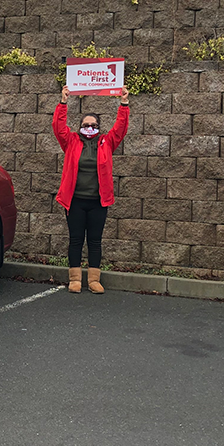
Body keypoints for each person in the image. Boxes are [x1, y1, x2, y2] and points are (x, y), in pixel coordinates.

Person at [52, 85, 130, 294]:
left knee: (95, 241)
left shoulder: (107, 142)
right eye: (85, 125)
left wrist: (123, 104)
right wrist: (63, 102)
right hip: (75, 201)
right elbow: (58, 128)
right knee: (76, 239)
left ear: (98, 127)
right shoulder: (71, 142)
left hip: (98, 202)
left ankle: (94, 279)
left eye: (93, 125)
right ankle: (75, 279)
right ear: (79, 127)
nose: (89, 128)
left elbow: (120, 129)